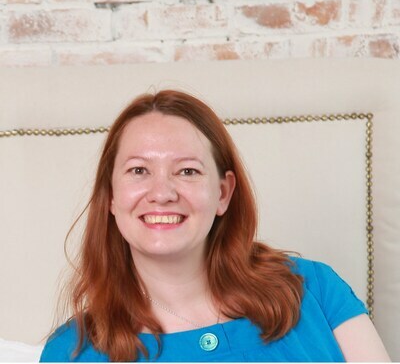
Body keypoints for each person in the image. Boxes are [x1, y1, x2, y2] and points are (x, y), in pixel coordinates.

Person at [40, 90, 390, 362]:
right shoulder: (70, 353)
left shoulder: (315, 289)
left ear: (223, 193)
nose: (162, 193)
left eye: (187, 171)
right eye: (139, 170)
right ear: (111, 198)